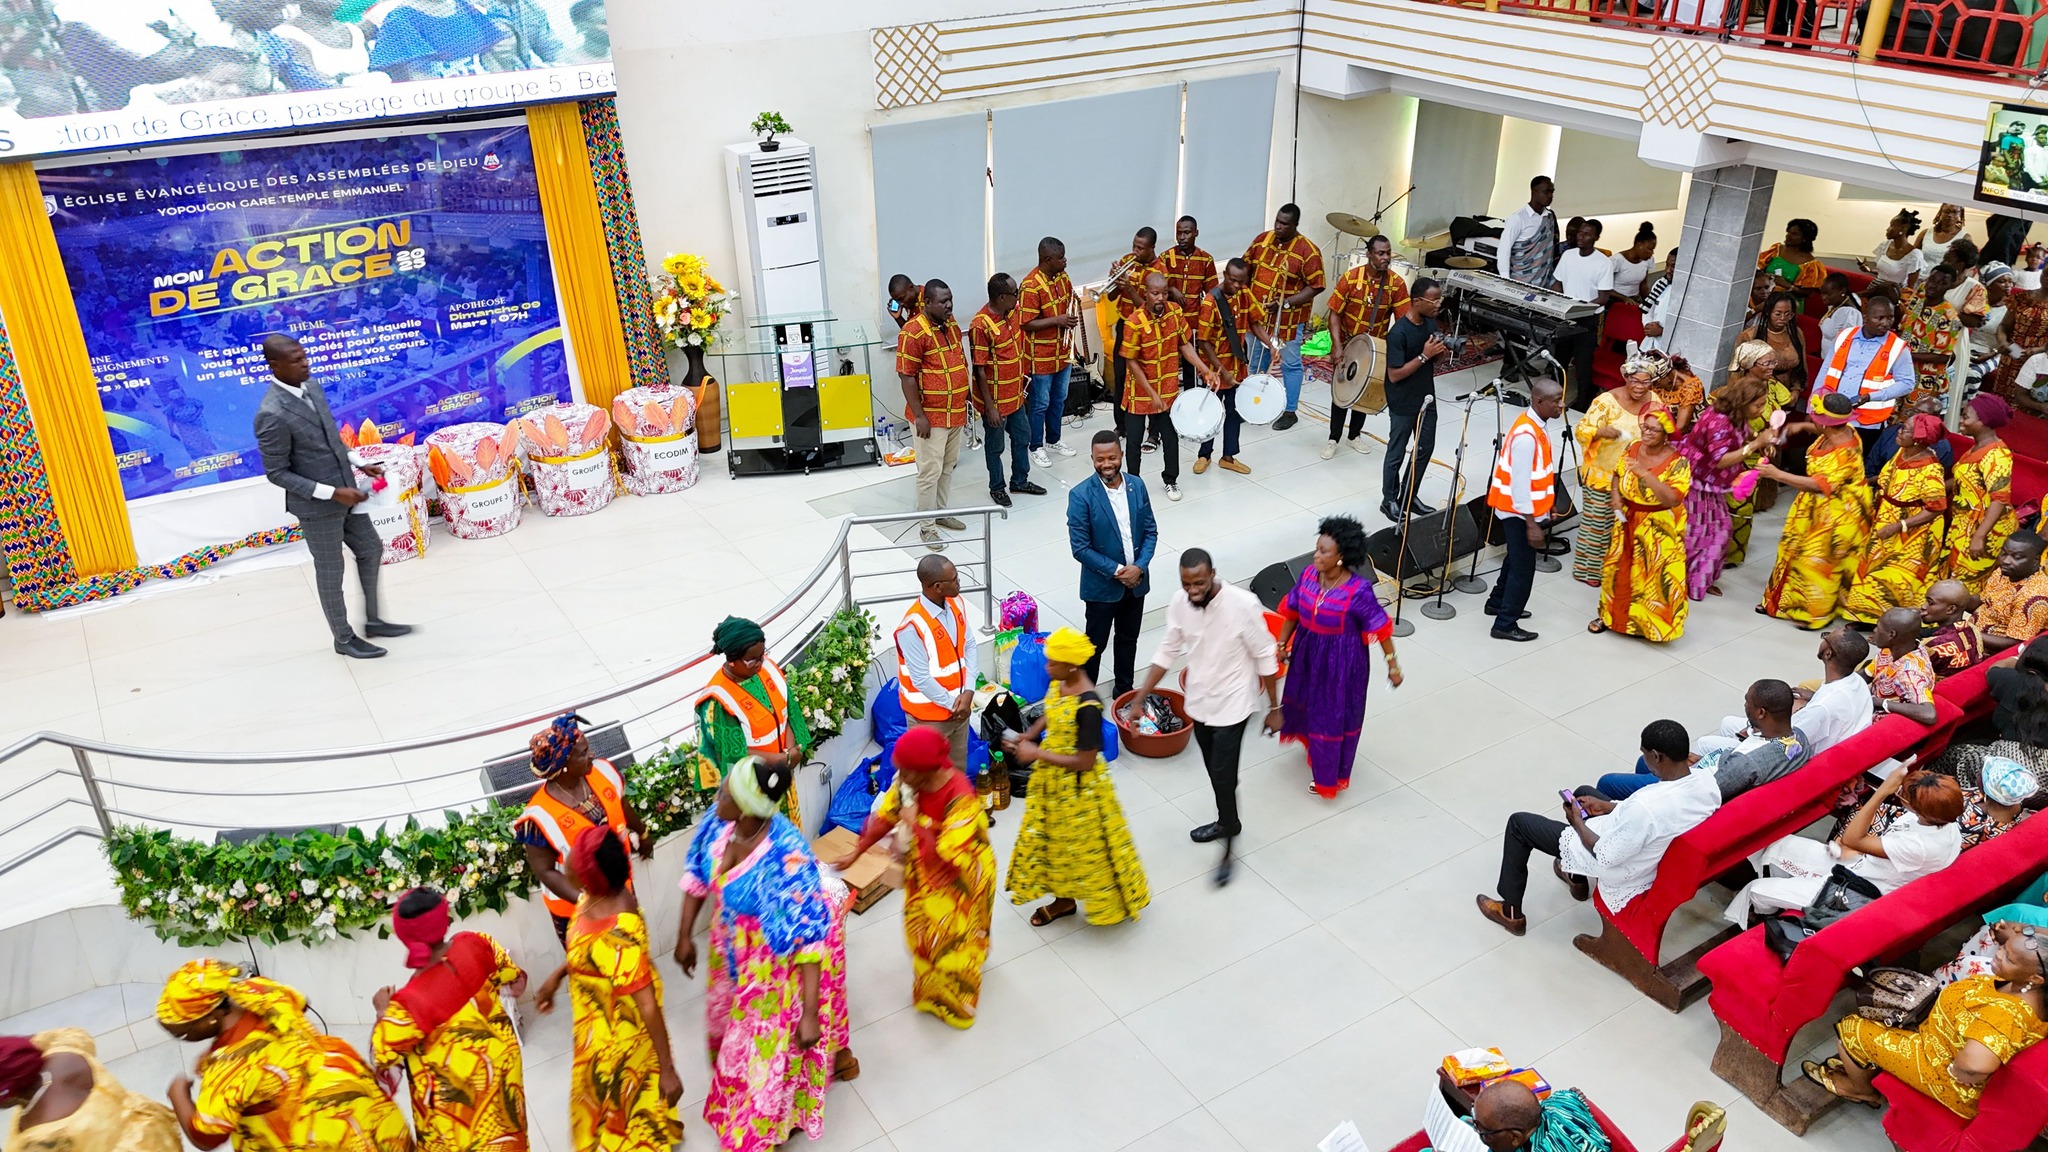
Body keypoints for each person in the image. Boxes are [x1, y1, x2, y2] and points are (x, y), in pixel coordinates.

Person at [676, 758, 855, 1150]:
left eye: (724, 792)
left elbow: (808, 941)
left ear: (744, 806)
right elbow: (695, 869)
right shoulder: (720, 822)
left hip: (775, 966)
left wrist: (809, 1013)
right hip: (731, 950)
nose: (717, 794)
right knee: (730, 1037)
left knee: (763, 1052)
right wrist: (685, 935)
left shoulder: (785, 856)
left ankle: (761, 1132)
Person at [1476, 720, 1723, 935]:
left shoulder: (1646, 806)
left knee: (1520, 824)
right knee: (1584, 792)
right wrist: (1608, 806)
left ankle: (1510, 912)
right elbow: (1658, 818)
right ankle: (1575, 877)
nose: (1645, 760)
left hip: (1622, 861)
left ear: (1657, 756)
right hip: (1652, 843)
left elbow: (1606, 855)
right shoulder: (1705, 781)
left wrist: (1578, 823)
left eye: (1645, 754)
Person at [1125, 549, 1280, 882]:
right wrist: (1140, 698)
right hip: (1199, 702)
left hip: (1234, 706)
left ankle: (1227, 847)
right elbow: (1167, 651)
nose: (1192, 590)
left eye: (1199, 582)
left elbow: (1266, 655)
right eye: (1186, 583)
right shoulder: (1181, 603)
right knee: (1215, 771)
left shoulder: (1243, 605)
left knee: (1224, 775)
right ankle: (1228, 820)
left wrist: (1275, 708)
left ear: (1213, 574)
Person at [254, 333, 409, 659]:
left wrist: (360, 464)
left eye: (304, 356)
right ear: (275, 366)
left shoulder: (312, 387)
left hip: (347, 492)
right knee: (330, 571)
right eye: (296, 360)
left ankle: (374, 620)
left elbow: (332, 439)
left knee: (371, 548)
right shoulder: (271, 413)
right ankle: (343, 638)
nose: (305, 362)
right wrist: (332, 493)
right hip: (318, 506)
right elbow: (277, 473)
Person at [155, 959, 412, 1152]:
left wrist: (178, 1095)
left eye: (185, 1033)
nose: (184, 1038)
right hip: (343, 1082)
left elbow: (207, 1136)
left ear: (212, 1017)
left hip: (313, 1127)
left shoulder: (231, 1066)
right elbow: (299, 1001)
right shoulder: (254, 991)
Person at [533, 829, 684, 1152]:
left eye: (570, 866)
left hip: (620, 1035)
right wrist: (558, 976)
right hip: (595, 1019)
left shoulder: (618, 933)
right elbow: (588, 953)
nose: (564, 868)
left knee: (625, 1106)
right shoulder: (594, 897)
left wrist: (668, 1070)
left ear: (589, 879)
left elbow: (646, 1005)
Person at [837, 726, 996, 1028]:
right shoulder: (910, 784)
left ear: (928, 770)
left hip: (960, 884)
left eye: (906, 772)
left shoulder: (960, 796)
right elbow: (884, 817)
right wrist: (857, 852)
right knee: (924, 939)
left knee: (956, 944)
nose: (901, 779)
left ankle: (959, 1003)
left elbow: (947, 856)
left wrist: (915, 821)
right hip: (924, 878)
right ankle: (931, 993)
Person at [1806, 931, 2048, 1116]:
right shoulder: (2020, 985)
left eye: (2009, 958)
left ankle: (1861, 1090)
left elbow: (1976, 1064)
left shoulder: (2007, 1013)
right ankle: (1868, 1064)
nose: (1998, 954)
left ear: (2035, 978)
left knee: (1851, 1027)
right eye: (2003, 948)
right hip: (1939, 1040)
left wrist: (1958, 1070)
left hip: (1944, 1075)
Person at [1004, 627, 1151, 926]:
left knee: (1084, 849)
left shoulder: (1089, 706)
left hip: (1077, 789)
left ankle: (1110, 901)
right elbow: (1052, 709)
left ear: (1071, 665)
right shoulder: (1061, 682)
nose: (1047, 668)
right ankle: (1063, 901)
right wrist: (1029, 733)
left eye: (1052, 663)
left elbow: (1085, 762)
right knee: (1054, 845)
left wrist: (1036, 754)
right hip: (1051, 780)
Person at [369, 889, 527, 1152]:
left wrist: (381, 1011)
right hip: (501, 1074)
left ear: (404, 936)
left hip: (457, 1108)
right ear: (445, 919)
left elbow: (383, 1058)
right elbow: (510, 977)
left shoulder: (407, 1006)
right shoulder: (476, 942)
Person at [1727, 766, 1965, 924]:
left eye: (1903, 796)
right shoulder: (1943, 820)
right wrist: (1849, 849)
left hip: (1860, 892)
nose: (1899, 796)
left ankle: (1762, 917)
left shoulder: (1923, 845)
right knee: (1779, 846)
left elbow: (1854, 839)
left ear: (1918, 807)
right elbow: (1860, 845)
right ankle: (1786, 896)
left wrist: (1880, 793)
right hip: (1858, 865)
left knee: (1756, 889)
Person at [1277, 516, 1401, 799]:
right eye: (1317, 548)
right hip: (1308, 656)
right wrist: (1281, 644)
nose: (1316, 556)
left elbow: (1381, 629)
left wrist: (1393, 664)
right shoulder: (1309, 575)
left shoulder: (1358, 591)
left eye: (1324, 552)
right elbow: (1292, 611)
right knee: (1308, 708)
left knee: (1329, 718)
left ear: (1341, 557)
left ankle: (1331, 777)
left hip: (1342, 665)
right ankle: (1315, 750)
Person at [515, 713, 654, 946]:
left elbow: (621, 805)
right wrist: (588, 902)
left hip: (619, 890)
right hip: (575, 910)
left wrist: (643, 833)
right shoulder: (537, 817)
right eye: (583, 753)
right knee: (593, 970)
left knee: (631, 952)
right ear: (564, 766)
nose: (592, 755)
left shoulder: (603, 771)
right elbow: (545, 871)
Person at [1758, 393, 1873, 629]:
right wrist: (1803, 426)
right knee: (1791, 548)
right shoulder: (1840, 428)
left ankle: (1813, 615)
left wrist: (1776, 475)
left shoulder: (1844, 452)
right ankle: (1781, 602)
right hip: (1816, 505)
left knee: (1817, 562)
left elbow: (1820, 485)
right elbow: (1823, 429)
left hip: (1839, 513)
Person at [1068, 429, 1157, 698]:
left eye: (1112, 458)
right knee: (1094, 646)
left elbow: (1150, 531)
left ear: (1122, 455)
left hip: (1137, 583)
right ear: (1092, 459)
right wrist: (1119, 571)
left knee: (1128, 640)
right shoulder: (1081, 495)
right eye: (1100, 459)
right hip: (1102, 589)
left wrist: (1139, 567)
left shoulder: (1137, 485)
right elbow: (1080, 548)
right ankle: (1086, 698)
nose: (1106, 464)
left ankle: (1124, 692)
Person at [1588, 410, 1690, 641]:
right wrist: (1616, 494)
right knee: (1617, 570)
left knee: (1653, 578)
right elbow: (1617, 474)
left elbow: (1672, 499)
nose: (1646, 432)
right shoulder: (1633, 447)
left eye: (1654, 429)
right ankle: (1610, 617)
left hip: (1658, 527)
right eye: (1645, 426)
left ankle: (1650, 627)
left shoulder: (1678, 463)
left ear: (1666, 434)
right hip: (1627, 519)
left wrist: (1645, 474)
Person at [1841, 412, 1950, 626]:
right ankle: (1867, 616)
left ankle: (1890, 624)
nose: (1898, 431)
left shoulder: (1930, 470)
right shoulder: (1903, 452)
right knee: (1871, 566)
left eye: (1905, 430)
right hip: (1886, 517)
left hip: (1913, 530)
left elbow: (1936, 508)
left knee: (1895, 577)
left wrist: (1899, 526)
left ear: (1918, 439)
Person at [696, 616, 806, 825]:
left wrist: (789, 754)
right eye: (752, 659)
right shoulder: (718, 700)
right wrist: (783, 760)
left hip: (780, 774)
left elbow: (786, 712)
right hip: (753, 789)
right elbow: (733, 753)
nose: (760, 663)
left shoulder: (768, 669)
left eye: (762, 654)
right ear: (731, 660)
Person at [1119, 271, 1217, 500]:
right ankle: (1133, 485)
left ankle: (1170, 480)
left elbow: (1184, 345)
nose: (1161, 298)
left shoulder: (1174, 312)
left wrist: (1205, 369)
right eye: (1155, 293)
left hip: (1168, 390)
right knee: (1133, 441)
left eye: (1164, 293)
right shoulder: (1133, 322)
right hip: (1140, 393)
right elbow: (1131, 361)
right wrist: (1151, 393)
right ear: (1146, 294)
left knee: (1171, 438)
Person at [0, 1030, 179, 1152]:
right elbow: (70, 1033)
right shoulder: (66, 1050)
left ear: (8, 1096)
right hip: (152, 1132)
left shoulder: (36, 1136)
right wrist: (12, 1050)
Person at [1679, 371, 1775, 600]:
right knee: (1698, 534)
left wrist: (1760, 445)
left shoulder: (1737, 416)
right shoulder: (1718, 421)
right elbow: (1719, 459)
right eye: (1758, 405)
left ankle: (1700, 579)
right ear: (1743, 402)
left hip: (1712, 484)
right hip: (1696, 482)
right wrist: (1754, 446)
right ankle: (1686, 581)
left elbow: (1742, 437)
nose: (1761, 410)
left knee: (1719, 532)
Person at [896, 280, 973, 551]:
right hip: (930, 417)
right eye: (942, 301)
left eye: (950, 299)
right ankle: (926, 527)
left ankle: (940, 512)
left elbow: (960, 362)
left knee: (948, 466)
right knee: (929, 471)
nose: (949, 305)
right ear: (926, 302)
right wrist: (919, 416)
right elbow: (906, 376)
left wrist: (967, 392)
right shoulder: (912, 332)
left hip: (955, 413)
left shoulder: (951, 325)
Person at [1577, 345, 1663, 584]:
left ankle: (1615, 568)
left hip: (1632, 474)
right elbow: (1582, 431)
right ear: (1626, 378)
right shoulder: (1606, 402)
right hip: (1603, 472)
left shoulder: (1654, 401)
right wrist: (1599, 431)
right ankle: (1589, 571)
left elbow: (1661, 427)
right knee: (1598, 524)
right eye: (1635, 381)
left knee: (1621, 525)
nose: (1639, 387)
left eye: (1645, 382)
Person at [1487, 378, 1565, 642]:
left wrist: (1549, 501)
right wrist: (1532, 523)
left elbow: (1537, 474)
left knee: (1514, 559)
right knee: (1523, 569)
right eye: (1556, 401)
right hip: (1518, 513)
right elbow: (1520, 486)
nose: (1561, 405)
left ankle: (1496, 602)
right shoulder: (1526, 437)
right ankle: (1505, 623)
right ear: (1539, 401)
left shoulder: (1536, 425)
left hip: (1524, 510)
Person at [1324, 235, 1411, 456]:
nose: (1386, 257)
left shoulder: (1396, 283)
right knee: (1342, 389)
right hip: (1347, 343)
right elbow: (1334, 314)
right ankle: (1333, 438)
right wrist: (1337, 346)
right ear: (1369, 254)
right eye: (1381, 253)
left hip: (1374, 348)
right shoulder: (1351, 278)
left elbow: (1403, 322)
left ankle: (1354, 435)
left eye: (1388, 253)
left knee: (1365, 389)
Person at [1242, 203, 1326, 430]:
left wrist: (1285, 303)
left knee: (1290, 364)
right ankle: (1253, 402)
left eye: (1284, 224)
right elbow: (1245, 269)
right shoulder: (1262, 240)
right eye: (1277, 221)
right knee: (1255, 361)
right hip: (1257, 318)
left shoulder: (1308, 251)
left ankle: (1290, 411)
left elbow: (1317, 286)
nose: (1278, 227)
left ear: (1295, 225)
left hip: (1287, 321)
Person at [894, 554, 977, 775]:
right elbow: (921, 679)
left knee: (957, 773)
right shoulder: (912, 627)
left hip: (959, 711)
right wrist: (954, 704)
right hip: (929, 720)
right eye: (955, 578)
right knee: (927, 778)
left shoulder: (956, 603)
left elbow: (969, 645)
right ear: (938, 587)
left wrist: (969, 692)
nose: (959, 581)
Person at [969, 273, 1046, 509]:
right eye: (1015, 294)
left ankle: (1020, 481)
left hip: (1015, 396)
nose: (1018, 297)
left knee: (1023, 438)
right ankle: (997, 487)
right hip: (995, 402)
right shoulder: (980, 325)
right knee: (996, 447)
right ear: (1002, 297)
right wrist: (990, 408)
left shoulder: (1012, 313)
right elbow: (979, 370)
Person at [1192, 257, 1273, 476]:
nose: (1237, 286)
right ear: (1225, 276)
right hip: (1215, 370)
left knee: (1234, 412)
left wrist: (1271, 345)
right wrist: (1222, 371)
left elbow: (1255, 322)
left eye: (1242, 282)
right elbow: (1203, 341)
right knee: (1211, 412)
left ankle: (1228, 456)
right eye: (1234, 281)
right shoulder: (1210, 302)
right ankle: (1204, 454)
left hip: (1238, 367)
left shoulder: (1245, 294)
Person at [1379, 279, 1450, 521]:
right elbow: (1394, 374)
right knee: (1397, 451)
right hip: (1403, 400)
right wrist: (1424, 355)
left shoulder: (1430, 323)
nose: (1438, 305)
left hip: (1426, 397)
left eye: (1440, 299)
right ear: (1417, 301)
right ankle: (1389, 500)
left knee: (1424, 449)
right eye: (1434, 300)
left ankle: (1409, 495)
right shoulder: (1398, 333)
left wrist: (1440, 353)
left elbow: (1434, 361)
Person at [1810, 294, 1915, 445]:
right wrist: (1812, 408)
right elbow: (1826, 370)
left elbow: (1907, 383)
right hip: (1832, 414)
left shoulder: (1897, 347)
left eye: (1890, 318)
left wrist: (1872, 397)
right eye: (1879, 318)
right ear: (1865, 317)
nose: (1885, 323)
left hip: (1867, 423)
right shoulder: (1845, 335)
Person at [1015, 238, 1080, 466]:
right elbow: (1025, 323)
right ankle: (1036, 446)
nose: (1065, 261)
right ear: (1047, 259)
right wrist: (1058, 320)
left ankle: (1054, 439)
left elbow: (1070, 301)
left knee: (1059, 399)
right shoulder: (1030, 285)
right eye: (1061, 257)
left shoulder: (1063, 277)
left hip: (1063, 350)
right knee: (1040, 403)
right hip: (1040, 356)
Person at [1945, 394, 2019, 593]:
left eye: (1966, 416)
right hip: (1966, 523)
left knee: (1966, 585)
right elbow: (1965, 479)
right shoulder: (1977, 447)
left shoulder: (1997, 456)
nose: (1961, 420)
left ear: (1983, 421)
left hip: (1986, 528)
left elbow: (1999, 500)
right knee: (1954, 578)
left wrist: (1979, 536)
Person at [1428, 1079, 1610, 1152]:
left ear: (1515, 1138)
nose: (1478, 1132)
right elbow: (1573, 1093)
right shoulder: (1563, 1101)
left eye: (1484, 1133)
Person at [1551, 218, 1617, 410]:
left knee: (1583, 364)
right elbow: (1558, 283)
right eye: (1580, 232)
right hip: (1565, 315)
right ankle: (1555, 398)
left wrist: (1581, 308)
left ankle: (1582, 403)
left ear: (1596, 237)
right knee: (1559, 360)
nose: (1581, 236)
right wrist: (1556, 301)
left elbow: (1603, 297)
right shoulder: (1568, 256)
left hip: (1587, 319)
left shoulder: (1603, 263)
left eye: (1587, 233)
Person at [1901, 265, 1966, 407]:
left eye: (1942, 283)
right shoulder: (1918, 298)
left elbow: (1943, 356)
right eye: (1933, 279)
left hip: (1925, 379)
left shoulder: (1948, 317)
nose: (1934, 285)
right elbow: (1904, 326)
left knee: (1912, 422)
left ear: (1950, 286)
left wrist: (1905, 355)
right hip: (1902, 370)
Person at [1977, 532, 2048, 655]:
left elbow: (2015, 644)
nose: (2006, 561)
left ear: (2036, 561)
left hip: (1990, 653)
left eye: (2017, 557)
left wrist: (1970, 635)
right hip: (1972, 633)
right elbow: (1984, 600)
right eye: (2004, 553)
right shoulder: (2005, 572)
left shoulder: (2035, 597)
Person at [1871, 607, 1941, 727]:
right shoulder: (1896, 648)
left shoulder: (1909, 673)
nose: (1874, 630)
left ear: (1891, 634)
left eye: (1878, 627)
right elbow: (1867, 673)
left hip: (1879, 724)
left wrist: (1878, 702)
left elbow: (1929, 714)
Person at [1738, 292, 1809, 400]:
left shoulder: (1796, 334)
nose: (1783, 318)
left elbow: (1801, 367)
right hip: (1757, 394)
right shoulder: (1751, 336)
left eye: (1788, 314)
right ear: (1768, 312)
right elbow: (1738, 374)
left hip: (1787, 393)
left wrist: (1796, 391)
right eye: (1778, 314)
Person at [1498, 175, 1561, 289]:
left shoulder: (1550, 217)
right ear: (1534, 191)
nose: (1550, 196)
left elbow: (1553, 248)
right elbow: (1504, 250)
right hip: (1520, 281)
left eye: (1552, 192)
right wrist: (1505, 281)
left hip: (1545, 281)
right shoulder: (1517, 218)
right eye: (1546, 192)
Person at [1922, 579, 1988, 678]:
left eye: (1930, 603)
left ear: (1950, 609)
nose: (1923, 606)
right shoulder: (1973, 630)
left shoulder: (1933, 646)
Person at [1160, 215, 1218, 314]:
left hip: (1194, 319)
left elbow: (1213, 294)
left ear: (1196, 233)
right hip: (1170, 317)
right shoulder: (1166, 257)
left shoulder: (1205, 259)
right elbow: (1154, 287)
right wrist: (1170, 290)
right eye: (1179, 233)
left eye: (1187, 233)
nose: (1182, 237)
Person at [1863, 209, 1927, 297]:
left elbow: (1910, 289)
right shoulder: (1884, 245)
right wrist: (1868, 270)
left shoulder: (1914, 256)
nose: (1887, 229)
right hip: (1874, 288)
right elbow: (1885, 273)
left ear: (1903, 228)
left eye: (1892, 226)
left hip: (1893, 293)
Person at [1757, 219, 1828, 290]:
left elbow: (1806, 293)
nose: (1788, 236)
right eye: (1789, 232)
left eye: (1794, 234)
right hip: (1763, 297)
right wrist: (1765, 276)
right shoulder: (1776, 250)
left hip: (1788, 300)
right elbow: (1758, 269)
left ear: (1805, 239)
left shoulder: (1811, 265)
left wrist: (1787, 285)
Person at [1818, 272, 1865, 352]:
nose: (1823, 297)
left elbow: (1847, 342)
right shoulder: (1837, 302)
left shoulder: (1848, 313)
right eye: (1822, 293)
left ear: (1842, 291)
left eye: (1828, 294)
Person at [1611, 221, 1658, 300]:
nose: (1652, 253)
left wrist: (1648, 304)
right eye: (1649, 249)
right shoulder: (1617, 260)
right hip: (1615, 300)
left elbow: (1643, 285)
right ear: (1639, 245)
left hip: (1635, 300)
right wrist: (1624, 299)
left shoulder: (1648, 260)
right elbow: (1604, 289)